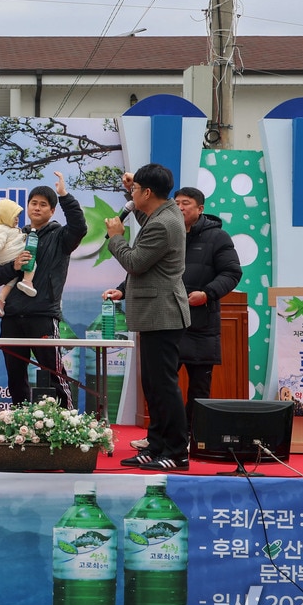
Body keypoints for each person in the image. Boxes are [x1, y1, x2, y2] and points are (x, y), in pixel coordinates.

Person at [109, 186, 243, 450]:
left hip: (200, 323)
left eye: (186, 204)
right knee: (158, 384)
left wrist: (207, 293)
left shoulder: (217, 238)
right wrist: (123, 290)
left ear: (200, 209)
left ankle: (194, 438)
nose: (180, 208)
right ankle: (159, 438)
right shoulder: (169, 230)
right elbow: (148, 268)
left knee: (197, 388)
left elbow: (231, 273)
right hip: (165, 319)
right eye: (177, 202)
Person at [103, 163, 192, 472]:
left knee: (164, 386)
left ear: (148, 192)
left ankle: (177, 452)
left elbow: (136, 262)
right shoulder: (164, 214)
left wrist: (116, 237)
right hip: (158, 313)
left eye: (136, 189)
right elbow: (148, 218)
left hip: (162, 313)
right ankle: (156, 447)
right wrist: (132, 188)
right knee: (153, 386)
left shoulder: (164, 223)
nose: (133, 193)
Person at [0, 171, 87, 406]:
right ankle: (19, 422)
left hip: (43, 314)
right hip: (12, 316)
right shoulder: (16, 235)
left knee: (54, 372)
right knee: (15, 375)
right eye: (34, 203)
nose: (37, 208)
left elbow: (79, 227)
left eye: (44, 204)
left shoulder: (61, 236)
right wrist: (14, 266)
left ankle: (67, 418)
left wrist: (64, 195)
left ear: (52, 210)